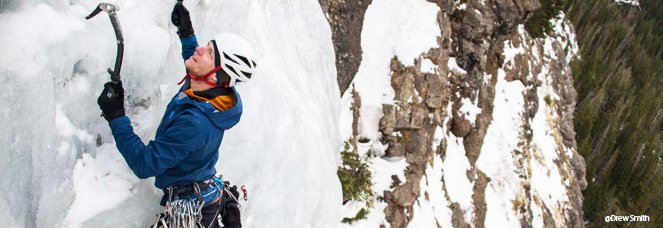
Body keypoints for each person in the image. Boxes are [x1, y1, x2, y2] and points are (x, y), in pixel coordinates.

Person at [96, 2, 257, 227]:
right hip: (201, 185)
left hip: (189, 202)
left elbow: (144, 164)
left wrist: (116, 115)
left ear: (216, 77)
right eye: (206, 46)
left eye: (209, 53)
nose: (199, 50)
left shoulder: (195, 125)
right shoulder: (209, 91)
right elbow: (195, 64)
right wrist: (186, 32)